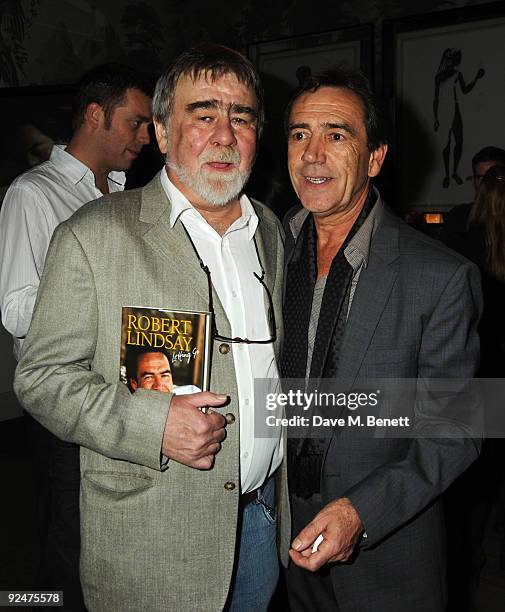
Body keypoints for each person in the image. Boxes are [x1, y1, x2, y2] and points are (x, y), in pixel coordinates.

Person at [15, 44, 287, 612]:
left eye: (241, 117)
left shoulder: (269, 231)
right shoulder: (94, 234)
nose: (224, 134)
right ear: (162, 133)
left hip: (260, 524)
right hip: (153, 538)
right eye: (203, 114)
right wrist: (151, 423)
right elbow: (39, 378)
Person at [281, 68, 482, 612]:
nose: (313, 154)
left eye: (336, 134)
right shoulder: (264, 251)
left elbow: (455, 430)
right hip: (275, 547)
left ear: (374, 158)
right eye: (300, 134)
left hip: (384, 557)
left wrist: (361, 512)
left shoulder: (440, 277)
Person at [0, 63, 151, 610]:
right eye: (136, 123)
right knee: (67, 548)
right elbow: (16, 309)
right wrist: (99, 301)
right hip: (62, 402)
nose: (146, 137)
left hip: (122, 397)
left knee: (107, 544)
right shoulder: (33, 194)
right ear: (94, 114)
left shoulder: (123, 193)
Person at [443, 164, 505, 611]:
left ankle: (473, 560)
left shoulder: (458, 229)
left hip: (477, 373)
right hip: (490, 370)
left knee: (474, 481)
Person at [432, 48, 485, 188]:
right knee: (447, 144)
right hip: (444, 112)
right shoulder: (439, 77)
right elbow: (436, 99)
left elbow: (465, 90)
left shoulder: (457, 74)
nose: (458, 60)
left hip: (455, 111)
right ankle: (447, 174)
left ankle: (454, 171)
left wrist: (476, 78)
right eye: (456, 58)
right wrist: (436, 118)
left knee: (459, 141)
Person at [441, 145, 505, 239]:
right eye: (481, 178)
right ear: (474, 181)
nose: (486, 184)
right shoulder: (460, 217)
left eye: (492, 178)